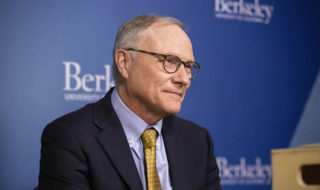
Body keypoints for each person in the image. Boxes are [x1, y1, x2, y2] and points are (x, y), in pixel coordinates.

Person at [38, 14, 221, 190]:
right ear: (124, 63)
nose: (184, 79)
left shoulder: (198, 141)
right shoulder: (70, 137)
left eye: (188, 66)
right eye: (169, 61)